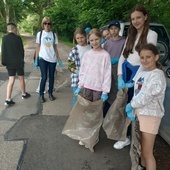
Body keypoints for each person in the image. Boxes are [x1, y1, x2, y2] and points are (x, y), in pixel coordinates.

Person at [115, 4, 158, 150]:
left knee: (134, 107)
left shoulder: (151, 35)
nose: (135, 21)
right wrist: (120, 75)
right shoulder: (131, 35)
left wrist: (134, 80)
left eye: (138, 17)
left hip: (139, 76)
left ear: (145, 17)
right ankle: (125, 136)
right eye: (133, 18)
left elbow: (145, 61)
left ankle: (137, 140)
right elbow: (123, 56)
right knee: (124, 104)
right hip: (126, 73)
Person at [125, 43, 166, 170]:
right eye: (142, 57)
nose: (145, 60)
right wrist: (134, 108)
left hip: (150, 116)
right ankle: (141, 166)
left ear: (156, 57)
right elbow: (138, 92)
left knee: (148, 153)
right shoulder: (142, 72)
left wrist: (131, 105)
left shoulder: (157, 74)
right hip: (140, 114)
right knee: (141, 148)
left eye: (148, 57)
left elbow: (147, 97)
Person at [74, 28, 111, 147]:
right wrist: (80, 85)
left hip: (99, 89)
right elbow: (83, 71)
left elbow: (107, 74)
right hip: (87, 87)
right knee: (86, 112)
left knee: (96, 114)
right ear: (88, 41)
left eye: (96, 39)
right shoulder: (87, 54)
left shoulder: (105, 55)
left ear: (101, 39)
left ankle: (94, 136)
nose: (94, 42)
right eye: (91, 40)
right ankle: (85, 135)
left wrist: (105, 91)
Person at [1, 22, 31, 106]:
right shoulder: (18, 38)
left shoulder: (4, 38)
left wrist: (4, 62)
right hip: (18, 62)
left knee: (11, 80)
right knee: (21, 78)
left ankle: (8, 99)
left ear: (8, 30)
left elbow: (3, 51)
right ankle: (24, 94)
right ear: (14, 29)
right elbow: (22, 50)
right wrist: (21, 59)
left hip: (9, 63)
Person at [34, 16, 62, 103]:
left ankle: (50, 93)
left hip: (52, 59)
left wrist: (59, 59)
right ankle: (41, 94)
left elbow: (55, 47)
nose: (47, 25)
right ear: (43, 24)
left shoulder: (53, 34)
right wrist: (36, 59)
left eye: (49, 23)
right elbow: (37, 47)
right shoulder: (40, 34)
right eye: (45, 23)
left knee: (52, 77)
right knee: (44, 76)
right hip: (43, 58)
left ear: (51, 25)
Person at [103, 20, 125, 117]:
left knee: (117, 89)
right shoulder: (107, 43)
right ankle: (107, 112)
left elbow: (126, 55)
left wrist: (119, 60)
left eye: (116, 28)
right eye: (111, 29)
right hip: (109, 68)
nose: (114, 31)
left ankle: (117, 111)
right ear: (109, 30)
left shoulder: (124, 41)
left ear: (119, 29)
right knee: (109, 87)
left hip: (119, 69)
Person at [68, 28, 91, 106]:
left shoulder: (91, 47)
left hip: (89, 78)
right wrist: (77, 71)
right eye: (78, 38)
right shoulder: (74, 50)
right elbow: (70, 65)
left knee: (86, 97)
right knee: (77, 97)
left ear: (86, 36)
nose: (80, 40)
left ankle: (83, 115)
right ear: (75, 39)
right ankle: (74, 115)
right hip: (76, 78)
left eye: (82, 37)